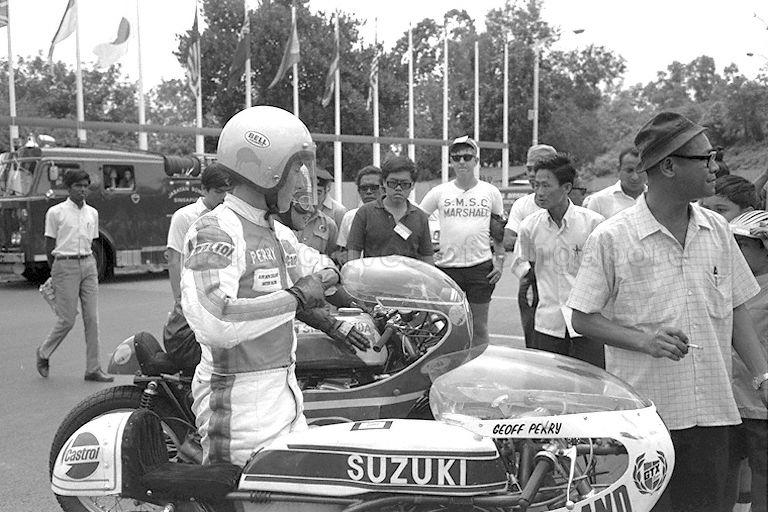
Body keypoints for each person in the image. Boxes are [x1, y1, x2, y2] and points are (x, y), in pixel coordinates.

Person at [566, 111, 768, 512]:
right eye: (705, 158)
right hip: (645, 423)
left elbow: (736, 310)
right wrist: (643, 340)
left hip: (714, 415)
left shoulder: (717, 230)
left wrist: (763, 376)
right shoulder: (613, 238)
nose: (715, 167)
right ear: (669, 166)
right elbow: (582, 317)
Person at [180, 106, 366, 467]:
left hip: (284, 394)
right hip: (239, 407)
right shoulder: (215, 231)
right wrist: (298, 296)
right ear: (265, 169)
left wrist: (339, 300)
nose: (301, 180)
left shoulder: (277, 233)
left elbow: (318, 269)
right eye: (295, 168)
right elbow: (216, 320)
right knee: (246, 493)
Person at [515, 153, 605, 367]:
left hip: (587, 324)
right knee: (549, 380)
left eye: (546, 186)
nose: (539, 192)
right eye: (536, 185)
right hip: (547, 323)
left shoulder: (593, 224)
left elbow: (604, 272)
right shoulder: (529, 227)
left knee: (590, 380)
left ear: (566, 188)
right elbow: (525, 264)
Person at [419, 136, 505, 346]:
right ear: (451, 161)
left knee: (479, 327)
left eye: (467, 157)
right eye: (456, 158)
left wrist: (500, 260)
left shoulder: (490, 192)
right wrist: (425, 256)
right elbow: (418, 220)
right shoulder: (439, 192)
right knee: (448, 327)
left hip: (480, 267)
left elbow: (497, 229)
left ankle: (479, 364)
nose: (462, 162)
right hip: (446, 269)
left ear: (476, 161)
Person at [36, 169, 113, 382]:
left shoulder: (92, 213)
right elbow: (49, 244)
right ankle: (43, 352)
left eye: (85, 186)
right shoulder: (56, 213)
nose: (82, 190)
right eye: (78, 186)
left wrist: (90, 264)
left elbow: (92, 240)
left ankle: (93, 368)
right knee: (67, 319)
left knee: (92, 319)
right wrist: (56, 269)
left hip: (88, 264)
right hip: (65, 264)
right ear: (68, 188)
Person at [163, 165, 232, 373]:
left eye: (227, 191)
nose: (224, 197)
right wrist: (180, 299)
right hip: (193, 297)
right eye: (218, 192)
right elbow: (174, 259)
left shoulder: (231, 217)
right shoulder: (185, 217)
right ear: (203, 189)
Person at [727, 210, 768, 512]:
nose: (735, 253)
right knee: (720, 483)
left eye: (742, 245)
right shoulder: (726, 286)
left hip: (760, 407)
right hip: (726, 404)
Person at [503, 143, 557, 349]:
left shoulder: (570, 201)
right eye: (529, 169)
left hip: (564, 279)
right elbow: (509, 240)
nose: (533, 174)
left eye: (538, 167)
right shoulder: (522, 205)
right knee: (534, 341)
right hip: (531, 279)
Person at [346, 155, 433, 263]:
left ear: (413, 185)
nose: (398, 188)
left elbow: (427, 257)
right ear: (383, 182)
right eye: (392, 183)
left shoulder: (420, 217)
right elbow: (353, 253)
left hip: (409, 274)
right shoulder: (364, 213)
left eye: (405, 184)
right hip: (373, 273)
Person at [335, 165, 383, 264]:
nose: (369, 192)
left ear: (384, 188)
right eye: (364, 188)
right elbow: (342, 250)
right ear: (358, 191)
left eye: (374, 187)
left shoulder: (394, 215)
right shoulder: (349, 217)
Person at [582, 146, 646, 219]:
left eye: (640, 171)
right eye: (629, 170)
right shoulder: (598, 202)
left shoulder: (655, 199)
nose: (635, 177)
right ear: (618, 169)